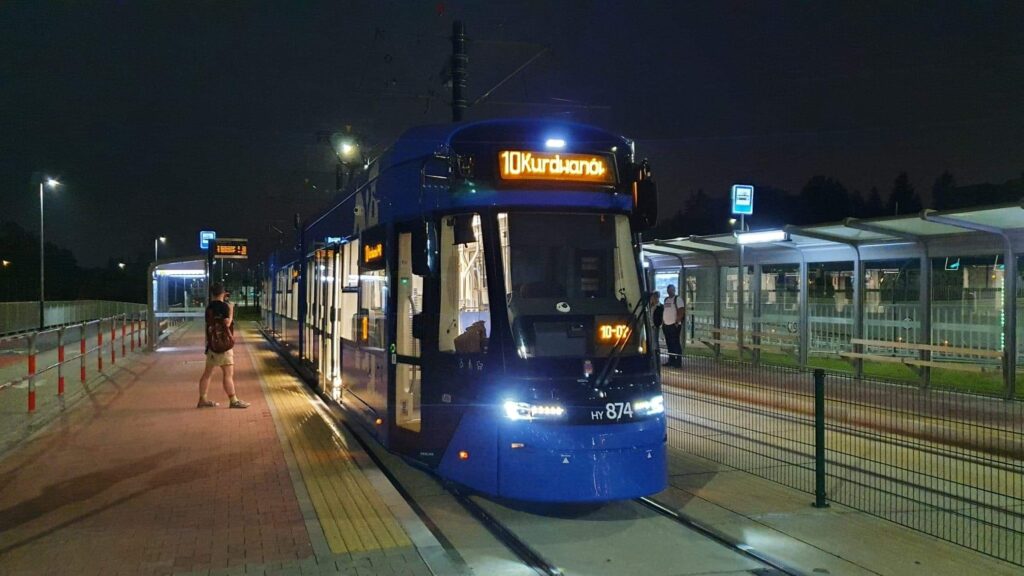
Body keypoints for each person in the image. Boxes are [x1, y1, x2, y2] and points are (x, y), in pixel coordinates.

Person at [197, 283, 249, 409]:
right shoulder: (225, 307)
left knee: (207, 374)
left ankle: (202, 399)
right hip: (223, 345)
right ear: (223, 293)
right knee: (228, 374)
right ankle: (233, 400)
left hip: (212, 344)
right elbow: (227, 323)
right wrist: (231, 311)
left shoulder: (209, 307)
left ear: (212, 293)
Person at [661, 284, 684, 368]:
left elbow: (681, 310)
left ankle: (678, 362)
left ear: (674, 290)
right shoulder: (666, 299)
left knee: (675, 344)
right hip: (666, 325)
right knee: (669, 344)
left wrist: (677, 321)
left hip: (674, 325)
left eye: (671, 289)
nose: (669, 291)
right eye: (668, 290)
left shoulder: (678, 299)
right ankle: (671, 360)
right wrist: (663, 323)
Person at [649, 291, 663, 361]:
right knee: (651, 341)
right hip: (650, 325)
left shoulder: (660, 306)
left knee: (655, 342)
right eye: (652, 297)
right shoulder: (650, 306)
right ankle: (652, 355)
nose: (653, 299)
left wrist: (657, 325)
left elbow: (661, 317)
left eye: (655, 297)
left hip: (655, 326)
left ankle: (656, 356)